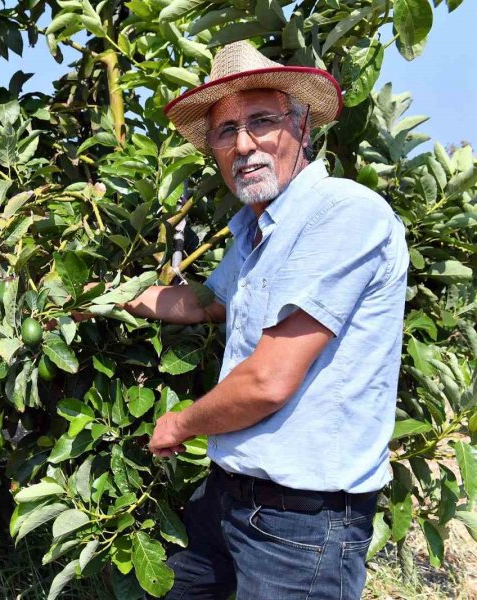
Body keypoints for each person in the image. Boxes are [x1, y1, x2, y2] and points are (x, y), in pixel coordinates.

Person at [121, 42, 408, 598]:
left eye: (261, 120)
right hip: (230, 496)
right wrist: (114, 297)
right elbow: (205, 303)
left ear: (301, 125)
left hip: (303, 525)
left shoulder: (343, 214)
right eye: (226, 130)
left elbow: (267, 382)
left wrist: (179, 425)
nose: (244, 144)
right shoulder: (254, 231)